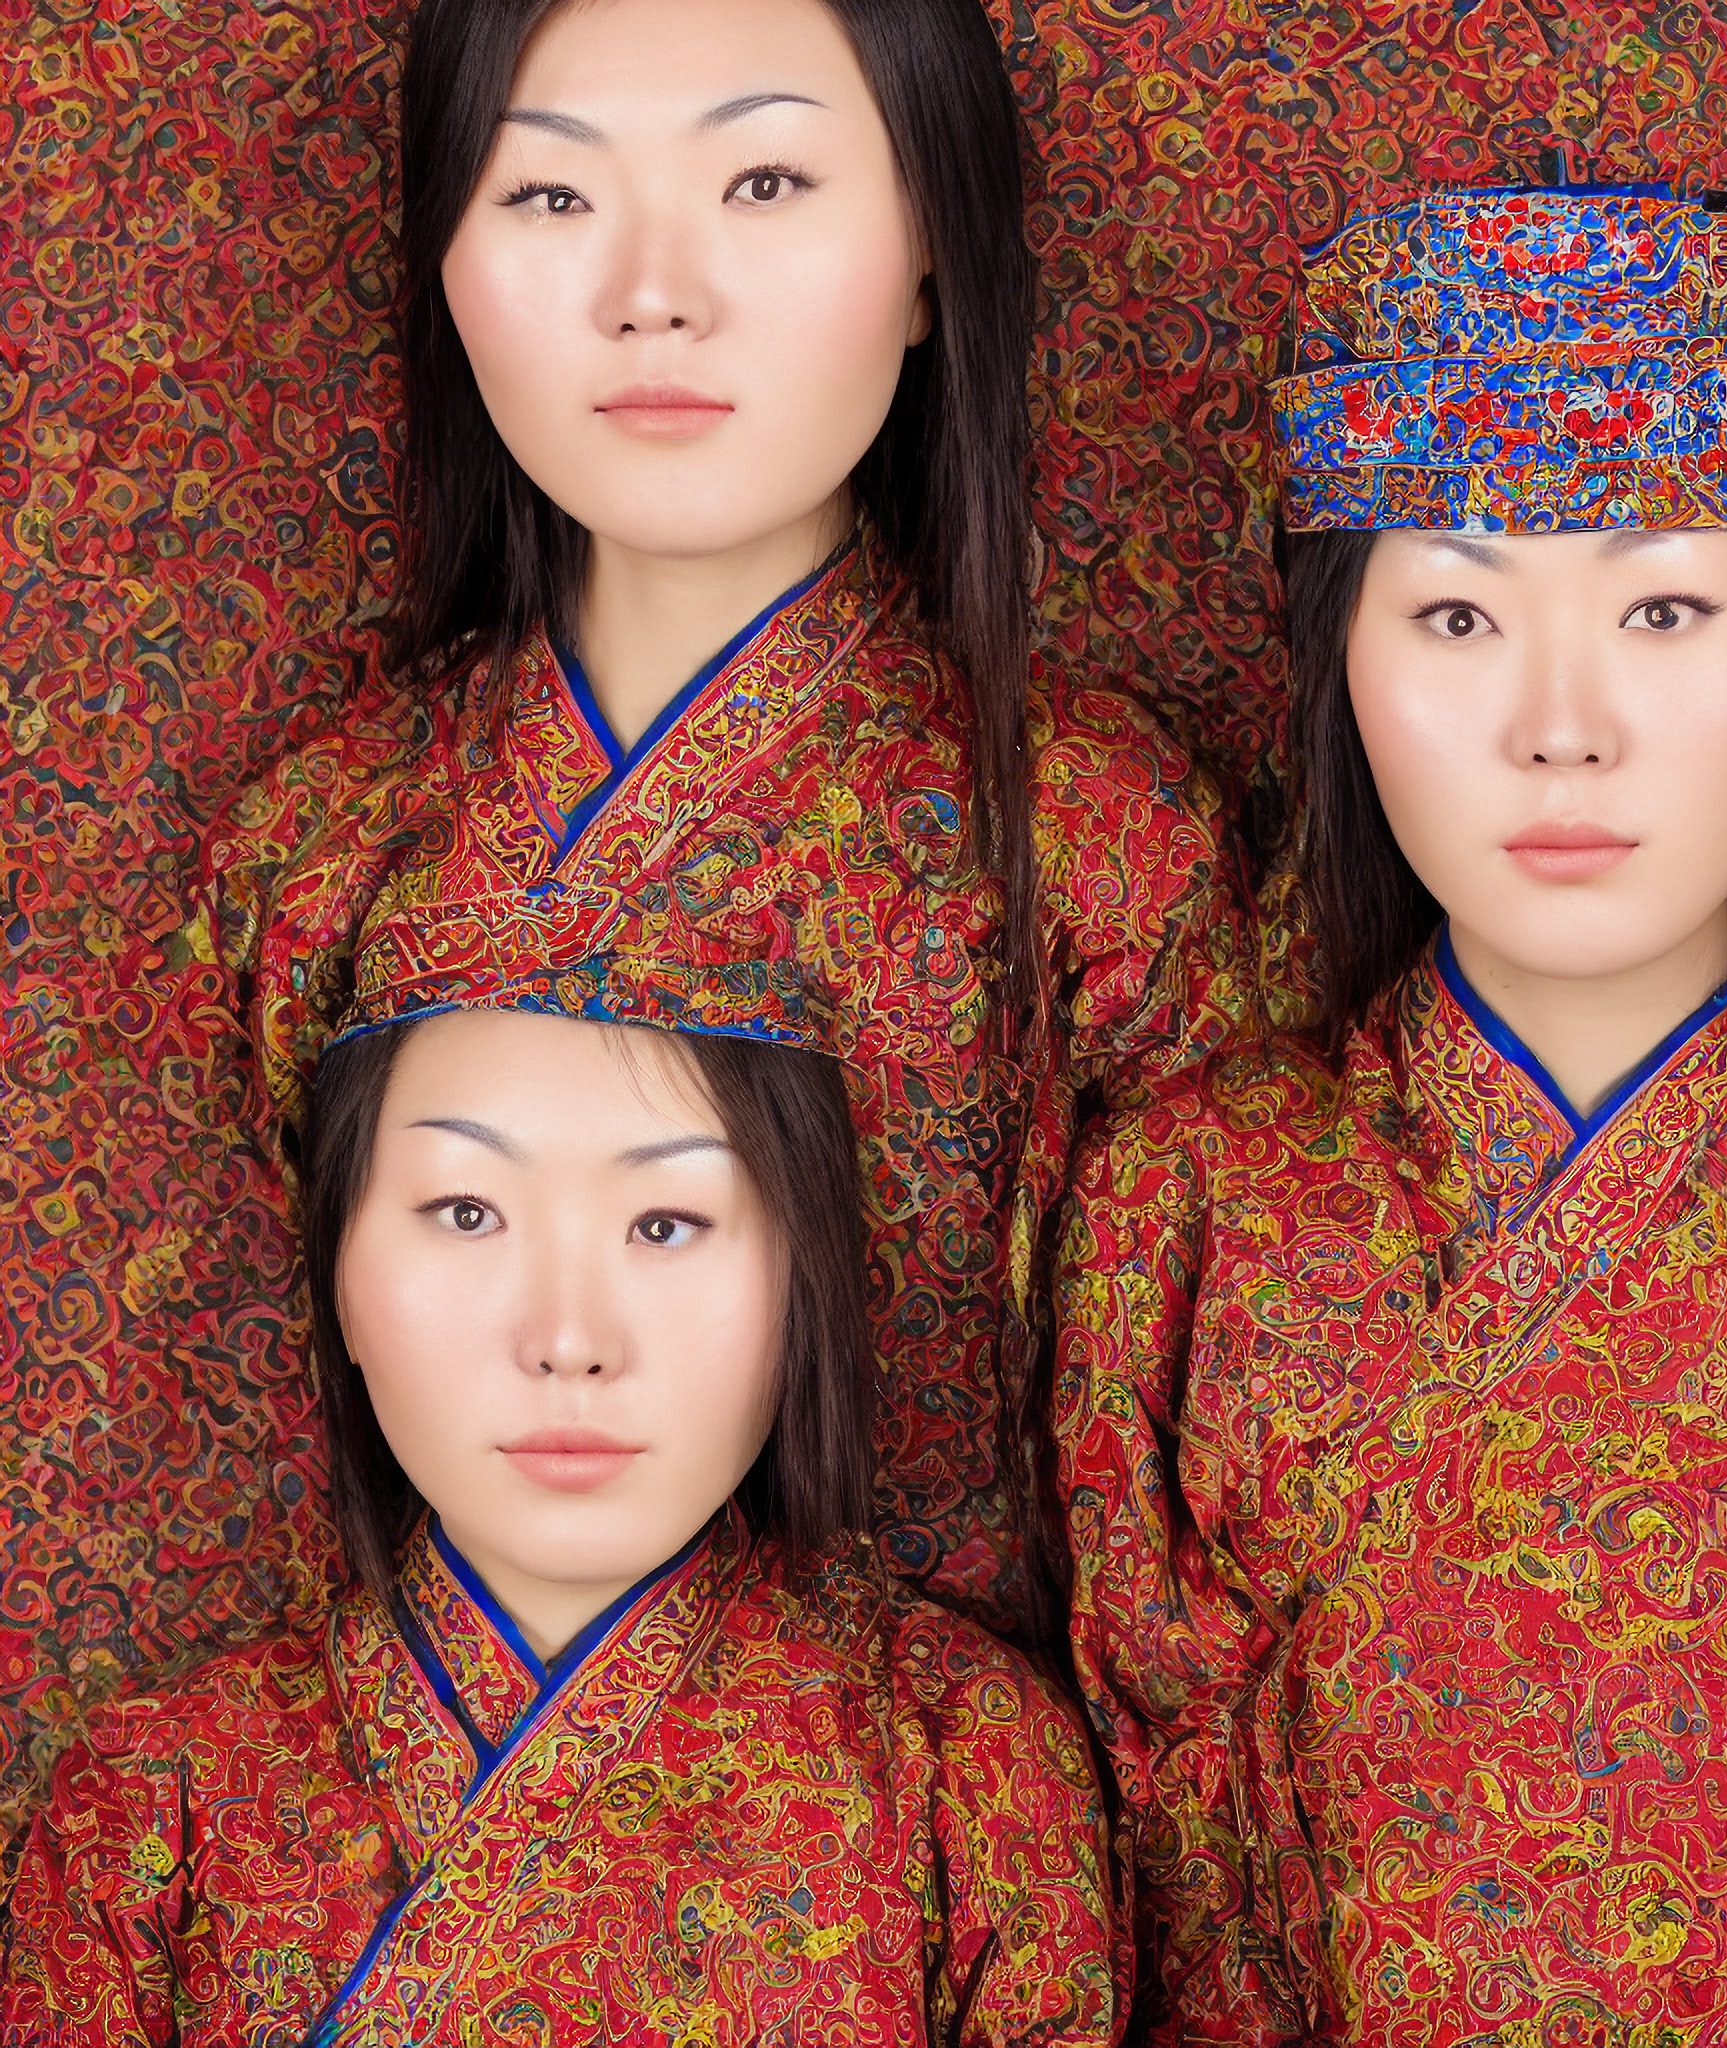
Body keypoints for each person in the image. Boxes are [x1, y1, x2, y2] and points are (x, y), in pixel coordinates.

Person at [1053, 184, 1727, 2043]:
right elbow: (1162, 1881)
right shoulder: (1186, 1200)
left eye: (1664, 602)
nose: (1560, 726)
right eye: (1452, 610)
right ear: (1338, 679)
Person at [184, 0, 1251, 1646]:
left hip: (949, 1845)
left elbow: (1202, 1514)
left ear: (926, 256)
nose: (650, 294)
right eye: (550, 197)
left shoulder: (1099, 844)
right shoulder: (321, 855)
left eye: (762, 183)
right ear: (442, 264)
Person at [0, 827, 1120, 2044]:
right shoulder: (147, 1812)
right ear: (337, 1274)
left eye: (667, 1221)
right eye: (466, 1210)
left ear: (806, 1278)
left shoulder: (967, 1767)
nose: (569, 1336)